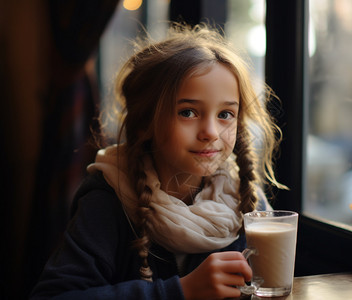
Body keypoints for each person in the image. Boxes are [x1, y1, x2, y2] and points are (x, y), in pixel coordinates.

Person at [30, 23, 286, 300]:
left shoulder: (244, 199)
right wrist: (180, 291)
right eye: (187, 112)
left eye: (225, 114)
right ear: (144, 123)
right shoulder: (108, 200)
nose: (210, 133)